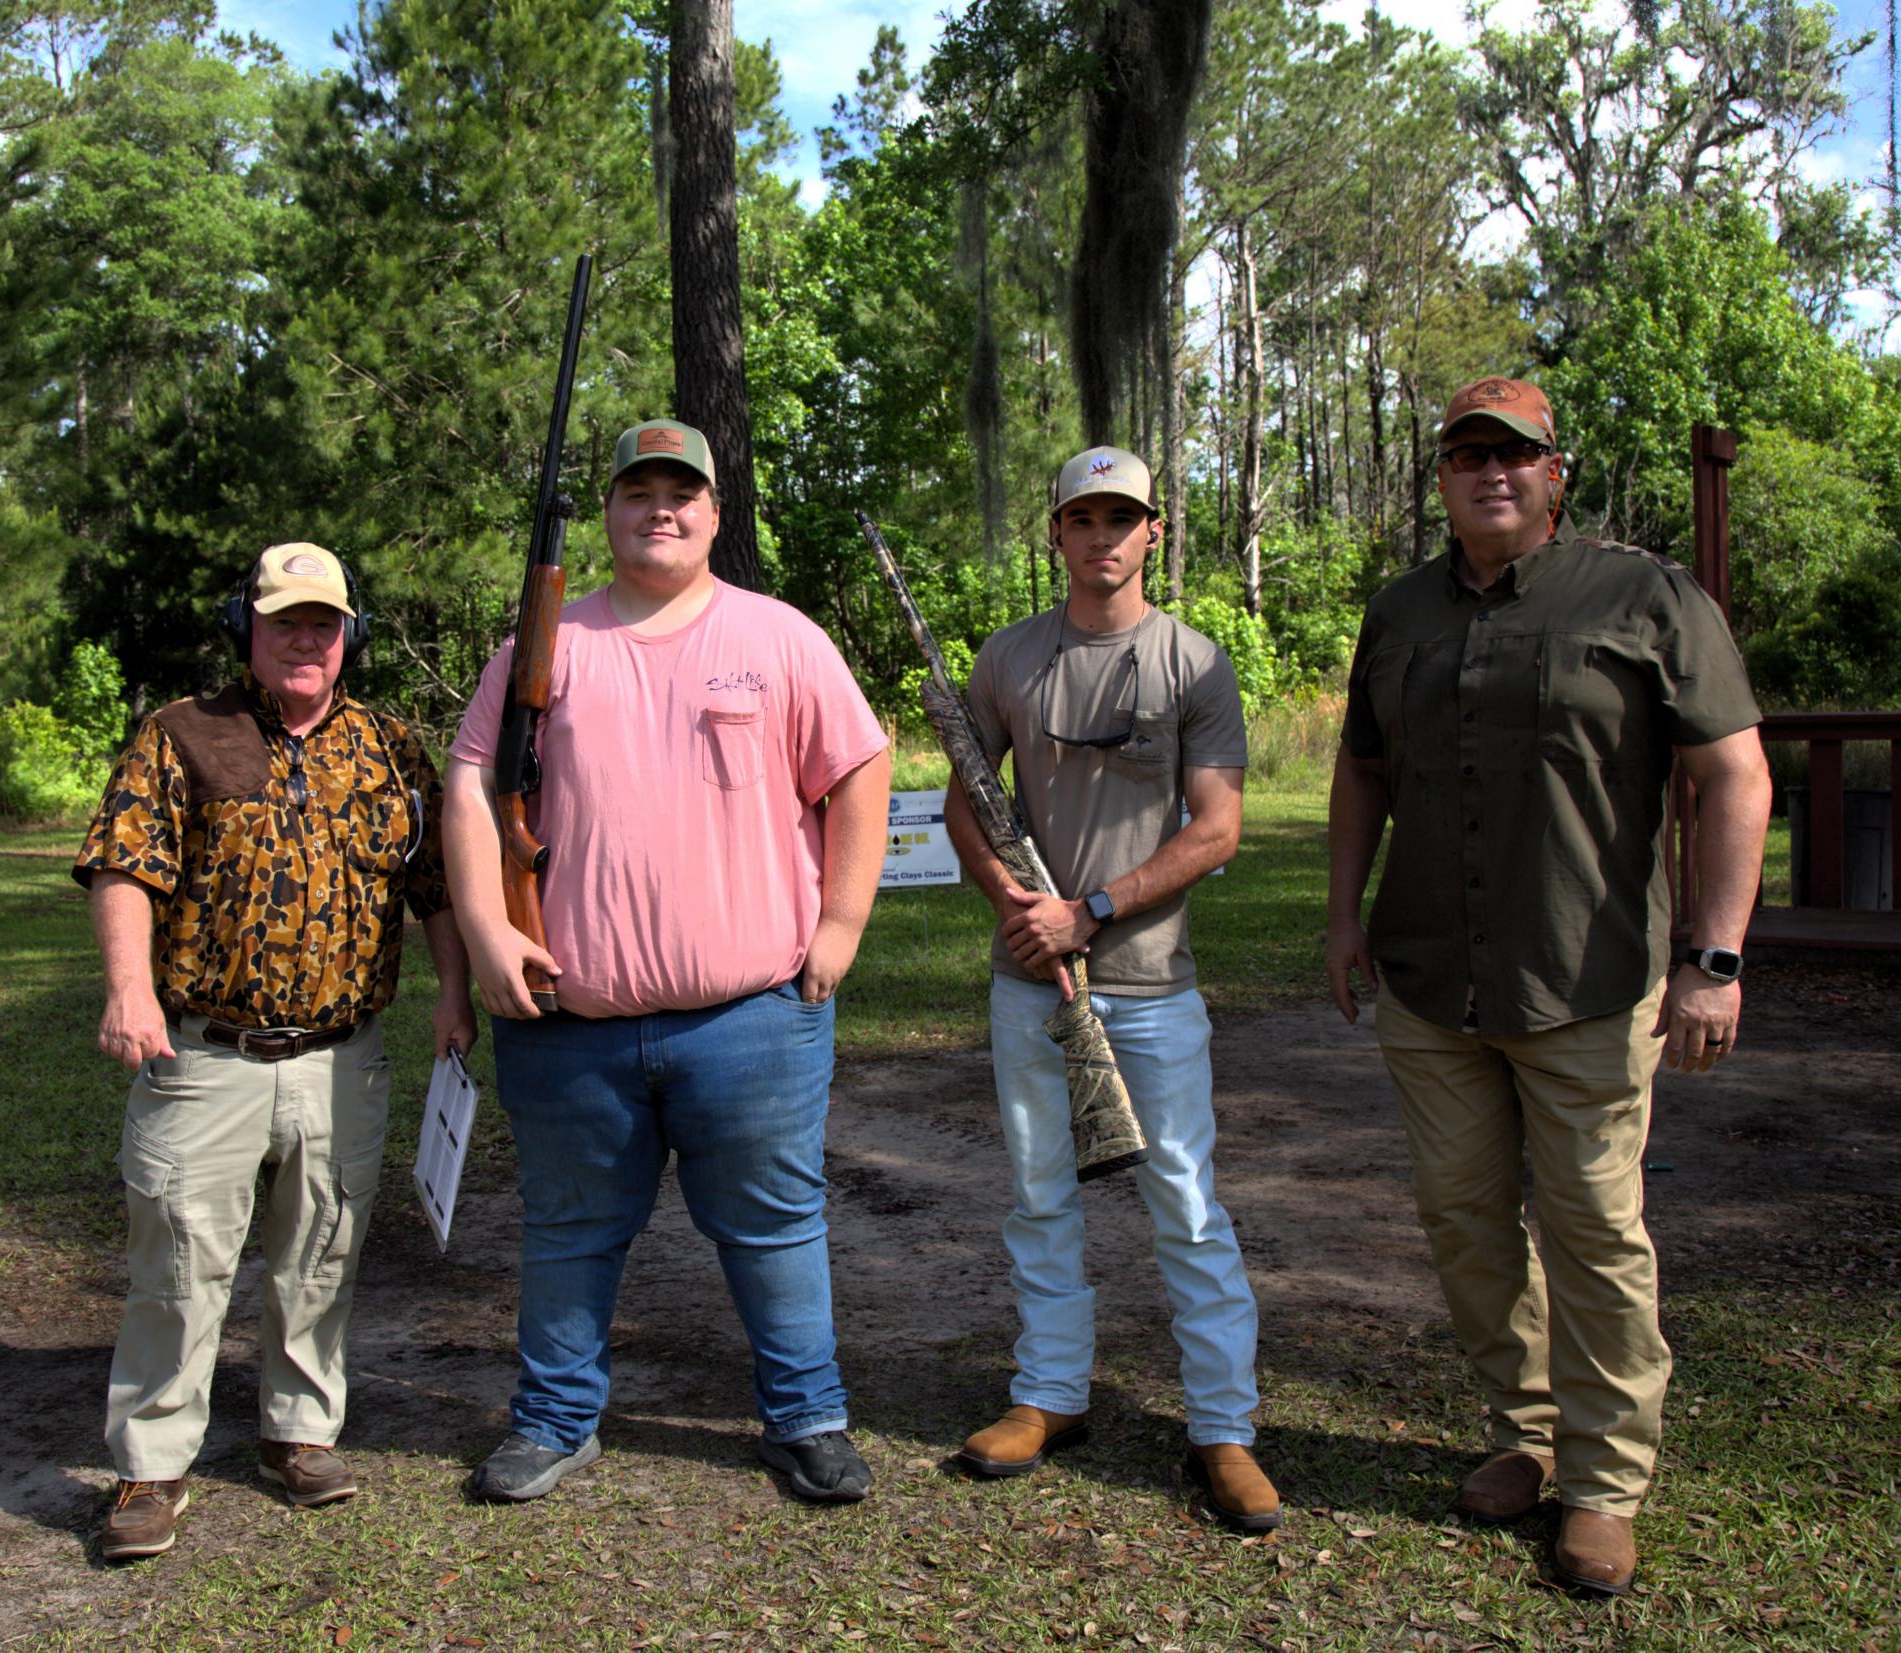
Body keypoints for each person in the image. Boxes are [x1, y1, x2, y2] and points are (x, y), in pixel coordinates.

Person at [1324, 377, 1771, 1595]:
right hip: (1429, 978)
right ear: (1441, 479)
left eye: (1514, 455)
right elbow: (1363, 769)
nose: (1491, 474)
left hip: (1589, 977)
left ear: (1553, 471)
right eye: (1467, 456)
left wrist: (1713, 959)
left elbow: (1734, 776)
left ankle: (1605, 1481)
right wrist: (1340, 915)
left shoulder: (1644, 596)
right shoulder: (1400, 609)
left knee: (1590, 1230)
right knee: (1464, 1224)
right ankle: (1521, 1432)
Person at [441, 418, 893, 1506]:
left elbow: (861, 771)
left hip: (750, 1017)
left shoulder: (778, 636)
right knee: (566, 1229)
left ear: (713, 513)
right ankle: (553, 1420)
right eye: (639, 490)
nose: (662, 508)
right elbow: (467, 784)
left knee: (776, 1225)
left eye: (681, 491)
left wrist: (839, 928)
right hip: (568, 1021)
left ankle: (807, 1418)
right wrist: (485, 926)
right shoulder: (540, 650)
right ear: (608, 512)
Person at [74, 542, 472, 1562]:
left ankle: (299, 1432)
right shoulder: (180, 735)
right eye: (285, 620)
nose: (306, 638)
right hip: (206, 1054)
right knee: (177, 1263)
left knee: (321, 1254)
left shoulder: (390, 746)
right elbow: (123, 865)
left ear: (351, 638)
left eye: (324, 623)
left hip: (343, 1054)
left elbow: (434, 887)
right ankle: (151, 1465)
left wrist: (454, 998)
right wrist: (128, 989)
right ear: (244, 630)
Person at [943, 446, 1279, 1531]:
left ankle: (1222, 1428)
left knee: (1184, 1204)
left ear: (1154, 534)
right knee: (1040, 1197)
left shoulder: (1193, 663)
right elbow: (964, 802)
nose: (1102, 538)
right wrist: (1015, 905)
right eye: (1081, 519)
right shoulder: (1007, 658)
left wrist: (1089, 910)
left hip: (1147, 981)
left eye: (1121, 519)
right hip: (1027, 981)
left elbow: (1217, 827)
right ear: (1056, 534)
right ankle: (1049, 1396)